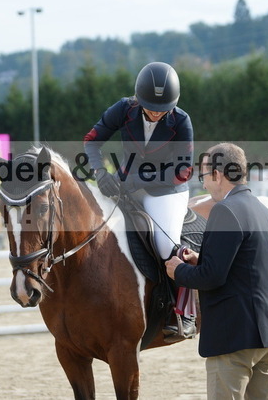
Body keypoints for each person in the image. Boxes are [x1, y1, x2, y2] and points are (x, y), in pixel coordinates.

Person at [83, 61, 195, 338]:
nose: (157, 114)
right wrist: (99, 172)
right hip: (124, 184)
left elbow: (183, 171)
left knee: (166, 244)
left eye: (163, 109)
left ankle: (182, 310)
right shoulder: (124, 109)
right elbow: (92, 140)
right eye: (151, 108)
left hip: (167, 191)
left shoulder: (181, 121)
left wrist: (138, 180)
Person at [165, 142, 268, 400]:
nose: (204, 185)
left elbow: (211, 277)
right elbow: (248, 264)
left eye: (205, 177)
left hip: (234, 340)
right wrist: (202, 258)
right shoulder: (261, 209)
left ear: (218, 175)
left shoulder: (224, 210)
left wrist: (179, 271)